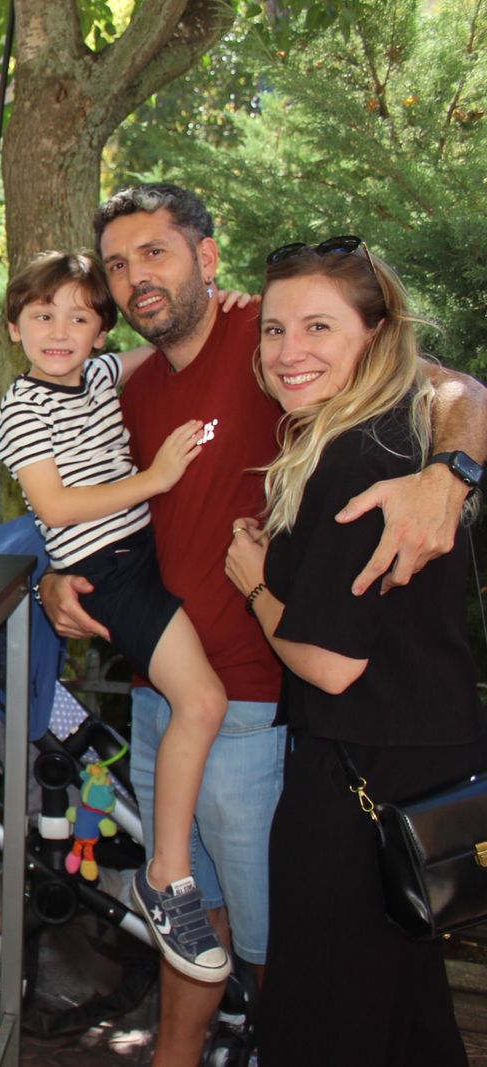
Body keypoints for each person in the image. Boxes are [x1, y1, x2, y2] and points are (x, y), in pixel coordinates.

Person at [41, 182, 486, 1065]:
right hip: (161, 684)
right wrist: (60, 568)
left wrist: (455, 471)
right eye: (120, 266)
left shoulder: (271, 337)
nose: (138, 280)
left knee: (291, 945)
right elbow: (82, 492)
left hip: (256, 703)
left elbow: (457, 386)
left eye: (156, 253)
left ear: (207, 257)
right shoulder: (125, 381)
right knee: (188, 914)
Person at [223, 237, 484, 1065]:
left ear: (374, 335)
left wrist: (256, 582)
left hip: (359, 781)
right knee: (403, 1009)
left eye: (318, 327)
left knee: (321, 1014)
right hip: (420, 762)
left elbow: (330, 661)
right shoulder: (402, 431)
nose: (287, 351)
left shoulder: (356, 456)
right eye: (273, 329)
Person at [0, 251, 230, 983]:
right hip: (105, 572)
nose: (60, 331)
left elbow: (143, 354)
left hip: (142, 556)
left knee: (193, 699)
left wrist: (223, 300)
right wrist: (155, 477)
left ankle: (166, 864)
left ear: (100, 330)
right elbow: (56, 505)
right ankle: (167, 872)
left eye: (79, 316)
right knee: (205, 700)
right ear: (14, 328)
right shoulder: (23, 408)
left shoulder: (98, 373)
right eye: (42, 315)